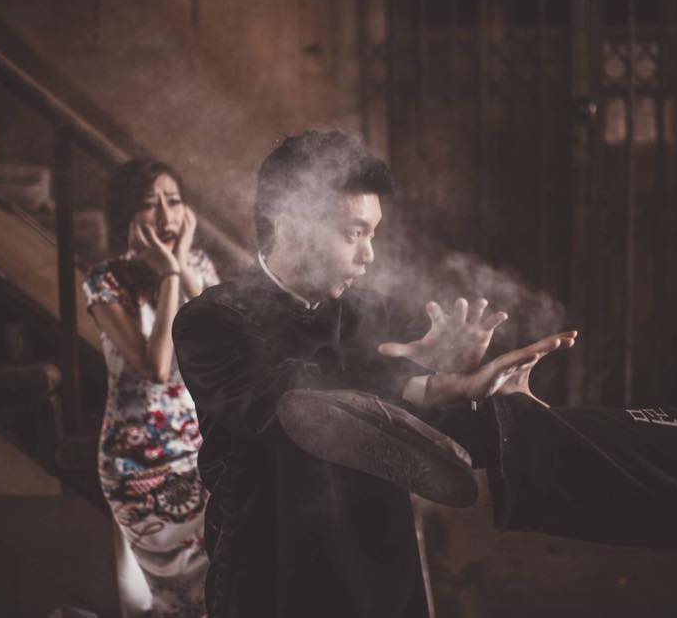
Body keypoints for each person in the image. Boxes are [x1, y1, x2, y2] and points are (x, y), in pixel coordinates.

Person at [172, 131, 574, 617]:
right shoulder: (212, 322)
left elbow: (438, 432)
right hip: (272, 571)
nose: (369, 256)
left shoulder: (373, 313)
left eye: (373, 234)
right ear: (290, 220)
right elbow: (292, 405)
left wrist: (492, 400)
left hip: (379, 571)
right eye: (353, 233)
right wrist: (415, 382)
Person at [83, 158, 220, 617]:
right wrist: (168, 276)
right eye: (149, 204)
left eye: (174, 201)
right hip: (138, 463)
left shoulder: (199, 265)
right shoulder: (105, 280)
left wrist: (181, 267)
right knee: (176, 605)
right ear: (127, 215)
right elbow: (156, 367)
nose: (166, 216)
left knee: (224, 587)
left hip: (203, 455)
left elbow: (227, 341)